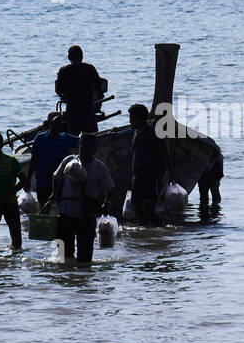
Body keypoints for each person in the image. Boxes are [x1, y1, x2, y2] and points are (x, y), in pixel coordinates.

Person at [44, 133, 114, 266]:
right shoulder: (69, 161)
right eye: (83, 147)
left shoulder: (99, 167)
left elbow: (111, 188)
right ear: (79, 147)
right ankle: (68, 281)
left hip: (87, 214)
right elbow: (56, 177)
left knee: (85, 258)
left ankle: (83, 280)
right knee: (64, 255)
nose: (86, 151)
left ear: (95, 149)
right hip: (66, 212)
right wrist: (54, 194)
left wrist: (106, 203)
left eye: (90, 148)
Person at [127, 103, 169, 226]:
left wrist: (163, 177)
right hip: (137, 178)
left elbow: (164, 154)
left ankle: (162, 231)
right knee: (137, 208)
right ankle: (145, 236)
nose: (130, 121)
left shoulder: (151, 134)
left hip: (150, 177)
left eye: (131, 118)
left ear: (139, 118)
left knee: (149, 210)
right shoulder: (136, 133)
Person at [26, 113, 78, 208]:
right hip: (42, 181)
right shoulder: (39, 138)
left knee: (61, 209)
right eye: (55, 123)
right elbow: (33, 161)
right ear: (49, 123)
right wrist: (28, 180)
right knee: (44, 209)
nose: (57, 126)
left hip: (60, 181)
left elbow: (84, 140)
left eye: (60, 123)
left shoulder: (66, 138)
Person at [55, 45, 106, 135]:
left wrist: (63, 97)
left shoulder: (63, 71)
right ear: (82, 56)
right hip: (88, 109)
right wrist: (98, 104)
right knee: (92, 138)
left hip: (72, 110)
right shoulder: (89, 68)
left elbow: (58, 90)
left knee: (72, 138)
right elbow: (99, 88)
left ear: (69, 57)